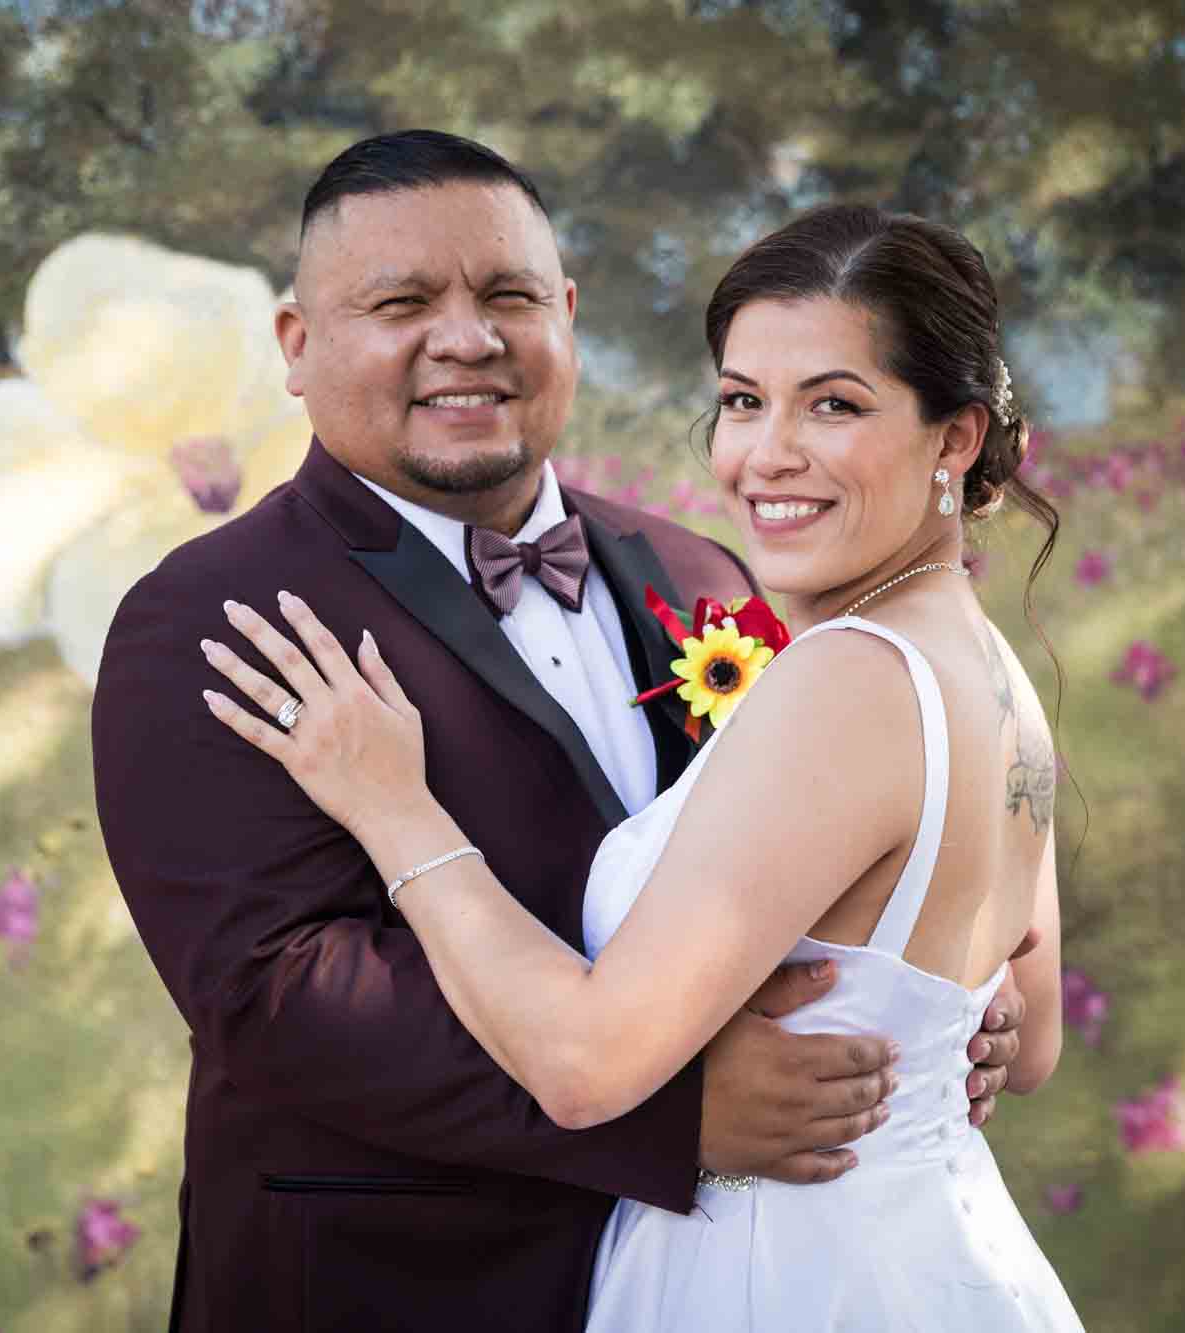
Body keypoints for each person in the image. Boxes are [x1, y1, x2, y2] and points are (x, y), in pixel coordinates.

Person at [93, 131, 1028, 1332]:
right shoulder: (208, 611)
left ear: (566, 316)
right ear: (297, 346)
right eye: (400, 302)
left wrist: (938, 992)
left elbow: (808, 861)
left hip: (704, 1276)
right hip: (391, 1284)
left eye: (508, 296)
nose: (467, 338)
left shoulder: (700, 573)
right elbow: (274, 987)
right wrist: (672, 1115)